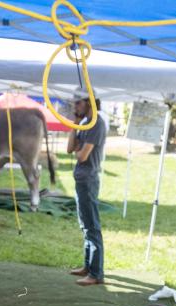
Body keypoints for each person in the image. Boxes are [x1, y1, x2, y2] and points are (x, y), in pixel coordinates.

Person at [66, 90, 107, 287]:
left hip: (89, 179)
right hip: (81, 179)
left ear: (89, 103)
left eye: (78, 104)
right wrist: (74, 124)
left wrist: (78, 148)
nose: (75, 107)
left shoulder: (97, 124)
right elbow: (69, 148)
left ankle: (96, 273)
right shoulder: (83, 123)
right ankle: (88, 267)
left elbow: (81, 156)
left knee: (92, 226)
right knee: (85, 225)